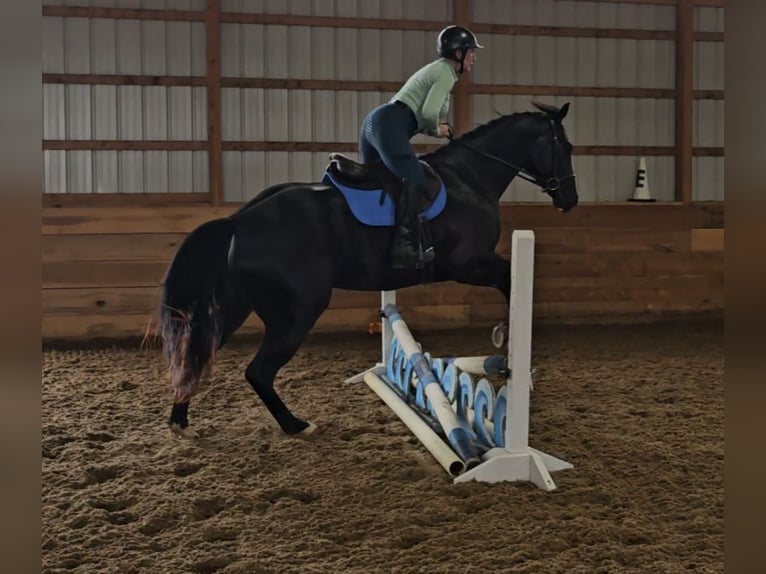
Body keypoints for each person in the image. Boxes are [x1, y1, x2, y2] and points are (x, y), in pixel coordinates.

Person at [358, 25, 483, 269]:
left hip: (376, 123)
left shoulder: (436, 70)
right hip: (390, 123)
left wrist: (433, 128)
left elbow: (418, 116)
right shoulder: (446, 72)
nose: (474, 57)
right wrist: (439, 130)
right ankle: (404, 246)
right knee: (415, 177)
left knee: (380, 181)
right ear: (458, 54)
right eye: (470, 52)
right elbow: (428, 113)